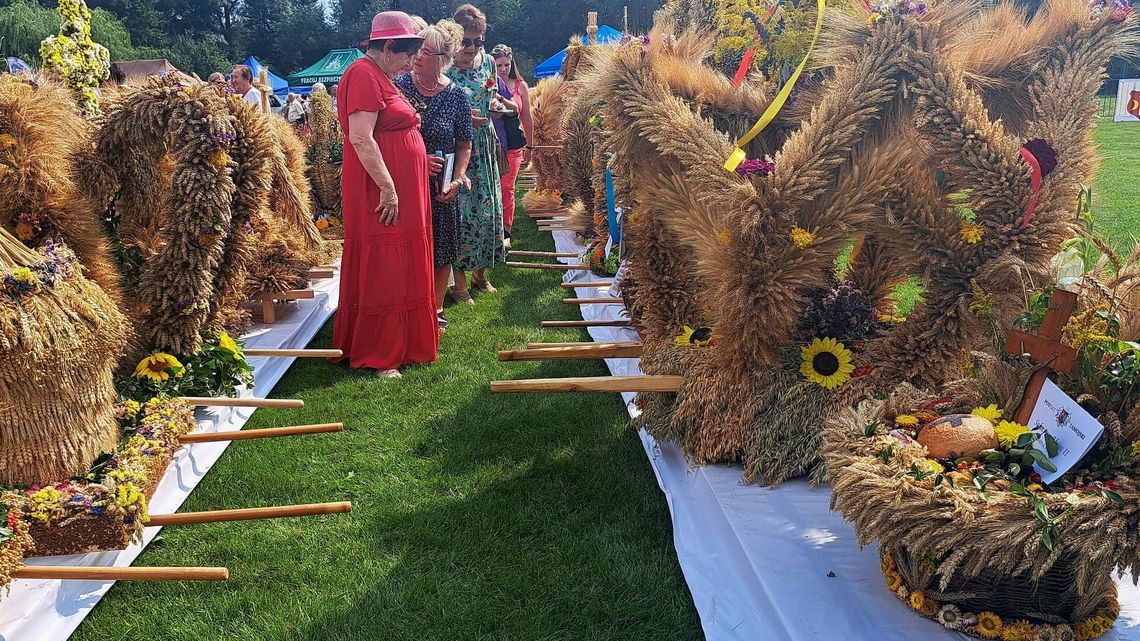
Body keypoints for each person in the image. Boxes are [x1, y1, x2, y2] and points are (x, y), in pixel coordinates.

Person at [333, 11, 437, 378]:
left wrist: (416, 162)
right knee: (386, 263)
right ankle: (380, 352)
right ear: (388, 47)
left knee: (401, 259)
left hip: (399, 184)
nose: (412, 63)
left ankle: (405, 341)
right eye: (408, 55)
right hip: (379, 189)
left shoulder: (381, 76)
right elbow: (361, 137)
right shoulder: (362, 74)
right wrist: (389, 187)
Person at [395, 21, 474, 331]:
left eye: (425, 52)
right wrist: (414, 159)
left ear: (443, 58)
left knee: (442, 247)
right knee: (406, 247)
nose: (417, 56)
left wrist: (458, 178)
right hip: (405, 181)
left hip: (441, 185)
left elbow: (464, 143)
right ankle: (407, 303)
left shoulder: (457, 96)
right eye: (418, 50)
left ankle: (436, 309)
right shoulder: (399, 86)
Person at [445, 3, 505, 301]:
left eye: (478, 41)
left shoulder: (489, 63)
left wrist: (494, 107)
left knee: (486, 210)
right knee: (460, 212)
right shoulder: (444, 68)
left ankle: (481, 275)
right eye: (465, 41)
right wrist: (464, 117)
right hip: (458, 147)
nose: (472, 47)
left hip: (485, 144)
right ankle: (459, 284)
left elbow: (491, 96)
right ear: (455, 39)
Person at [491, 44, 532, 244]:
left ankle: (506, 230)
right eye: (499, 65)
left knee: (507, 186)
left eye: (506, 65)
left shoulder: (519, 86)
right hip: (494, 141)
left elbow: (527, 117)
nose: (503, 69)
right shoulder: (489, 83)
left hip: (514, 141)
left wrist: (530, 146)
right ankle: (493, 226)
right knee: (494, 186)